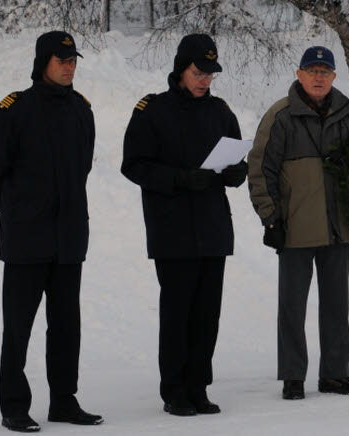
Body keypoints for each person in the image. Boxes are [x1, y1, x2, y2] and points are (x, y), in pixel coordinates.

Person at [0, 30, 103, 433]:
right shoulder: (14, 110)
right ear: (43, 61)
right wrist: (15, 207)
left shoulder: (81, 109)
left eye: (73, 60)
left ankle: (64, 401)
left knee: (67, 326)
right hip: (25, 240)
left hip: (68, 240)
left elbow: (83, 165)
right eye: (62, 60)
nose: (70, 67)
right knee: (18, 328)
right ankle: (14, 405)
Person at [247, 46, 349, 401]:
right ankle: (293, 376)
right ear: (299, 74)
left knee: (337, 303)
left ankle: (336, 374)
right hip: (294, 227)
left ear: (335, 77)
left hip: (339, 226)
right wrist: (270, 218)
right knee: (292, 305)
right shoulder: (280, 117)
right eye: (312, 71)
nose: (319, 77)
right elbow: (261, 170)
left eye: (325, 71)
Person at [121, 33, 248, 417]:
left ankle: (199, 387)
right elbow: (134, 164)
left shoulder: (221, 111)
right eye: (198, 72)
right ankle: (174, 390)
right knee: (177, 313)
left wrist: (236, 173)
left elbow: (238, 159)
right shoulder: (152, 110)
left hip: (212, 228)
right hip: (172, 229)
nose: (205, 80)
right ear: (181, 69)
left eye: (210, 73)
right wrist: (177, 179)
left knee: (207, 314)